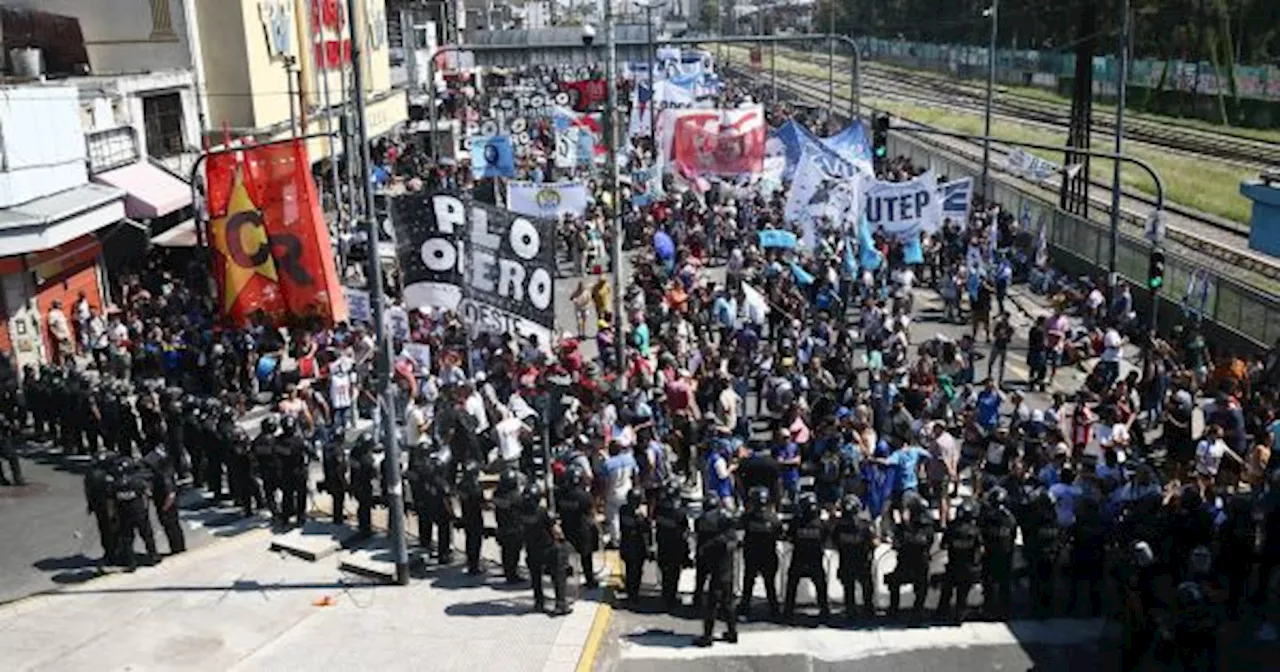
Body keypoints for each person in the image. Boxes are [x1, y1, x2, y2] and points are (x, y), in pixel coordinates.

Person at [693, 494, 738, 647]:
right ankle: (732, 633)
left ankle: (707, 637)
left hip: (719, 573)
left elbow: (705, 547)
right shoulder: (729, 537)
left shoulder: (716, 541)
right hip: (728, 572)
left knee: (712, 604)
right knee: (728, 603)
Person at [522, 480, 570, 616]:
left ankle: (539, 602)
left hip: (532, 548)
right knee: (559, 574)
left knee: (536, 577)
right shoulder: (543, 512)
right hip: (548, 548)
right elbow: (556, 530)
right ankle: (561, 604)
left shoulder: (522, 512)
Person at [784, 493, 831, 623]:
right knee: (820, 586)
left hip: (799, 558)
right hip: (815, 560)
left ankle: (788, 611)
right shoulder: (822, 524)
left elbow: (789, 537)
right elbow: (826, 538)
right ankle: (824, 610)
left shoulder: (796, 523)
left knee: (792, 585)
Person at [888, 491, 934, 622]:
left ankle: (893, 610)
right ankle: (917, 611)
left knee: (895, 581)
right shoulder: (927, 526)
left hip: (907, 566)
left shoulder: (904, 529)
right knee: (920, 583)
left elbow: (897, 544)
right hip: (918, 567)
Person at [738, 485, 782, 620]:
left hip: (752, 555)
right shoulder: (773, 519)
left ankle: (744, 609)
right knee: (770, 585)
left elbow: (739, 532)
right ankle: (774, 610)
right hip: (768, 555)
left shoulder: (747, 518)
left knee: (748, 584)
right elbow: (780, 533)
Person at [936, 497, 982, 622]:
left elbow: (943, 545)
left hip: (953, 566)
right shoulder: (975, 531)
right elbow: (980, 548)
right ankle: (959, 616)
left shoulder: (952, 528)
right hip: (968, 568)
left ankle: (941, 613)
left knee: (947, 592)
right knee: (962, 594)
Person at [834, 494, 877, 621]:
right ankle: (868, 610)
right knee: (866, 587)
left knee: (849, 587)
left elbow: (832, 542)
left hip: (846, 562)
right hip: (862, 563)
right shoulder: (865, 525)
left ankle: (850, 610)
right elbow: (874, 543)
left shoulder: (838, 527)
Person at [557, 465, 599, 590]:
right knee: (586, 556)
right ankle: (589, 580)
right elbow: (591, 512)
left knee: (565, 555)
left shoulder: (560, 494)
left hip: (567, 528)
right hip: (582, 529)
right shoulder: (585, 496)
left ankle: (566, 574)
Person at [979, 486, 1017, 618]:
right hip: (1005, 554)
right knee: (1004, 583)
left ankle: (989, 608)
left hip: (991, 553)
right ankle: (1004, 609)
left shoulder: (987, 517)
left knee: (989, 582)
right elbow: (1013, 536)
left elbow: (981, 534)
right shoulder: (1010, 518)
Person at [655, 483, 690, 613]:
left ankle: (666, 596)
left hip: (663, 545)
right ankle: (670, 599)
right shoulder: (679, 512)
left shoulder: (659, 509)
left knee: (665, 572)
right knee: (674, 574)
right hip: (675, 547)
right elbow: (684, 532)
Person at [493, 466, 527, 583]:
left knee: (505, 551)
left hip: (502, 526)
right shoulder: (516, 497)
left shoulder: (497, 494)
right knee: (514, 552)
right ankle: (512, 575)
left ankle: (508, 571)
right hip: (514, 528)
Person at [618, 488, 650, 602]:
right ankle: (633, 594)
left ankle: (630, 591)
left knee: (629, 569)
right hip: (637, 547)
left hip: (625, 544)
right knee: (636, 571)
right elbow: (645, 530)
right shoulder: (639, 516)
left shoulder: (623, 510)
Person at [457, 460, 486, 575]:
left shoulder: (462, 484)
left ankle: (471, 564)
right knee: (476, 541)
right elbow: (482, 503)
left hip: (466, 515)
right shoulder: (475, 486)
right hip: (475, 516)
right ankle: (474, 566)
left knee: (469, 540)